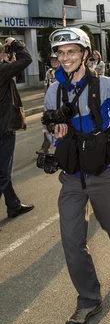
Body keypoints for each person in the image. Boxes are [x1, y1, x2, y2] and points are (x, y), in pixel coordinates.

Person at [44, 27, 110, 324]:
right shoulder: (53, 90)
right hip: (72, 177)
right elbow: (49, 130)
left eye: (72, 52)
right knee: (72, 241)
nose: (65, 58)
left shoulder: (107, 85)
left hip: (105, 174)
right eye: (60, 53)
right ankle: (88, 299)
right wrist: (54, 138)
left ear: (85, 54)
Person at [0, 38, 34, 223]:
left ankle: (13, 205)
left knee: (2, 170)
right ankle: (13, 205)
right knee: (3, 174)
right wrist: (17, 43)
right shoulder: (3, 71)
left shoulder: (3, 70)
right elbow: (27, 59)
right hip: (4, 128)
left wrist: (7, 61)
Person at [38, 53, 61, 155]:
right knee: (48, 123)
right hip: (51, 102)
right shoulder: (49, 71)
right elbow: (46, 85)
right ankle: (45, 147)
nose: (54, 61)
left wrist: (52, 79)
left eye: (56, 59)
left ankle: (61, 147)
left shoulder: (64, 71)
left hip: (61, 102)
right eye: (52, 60)